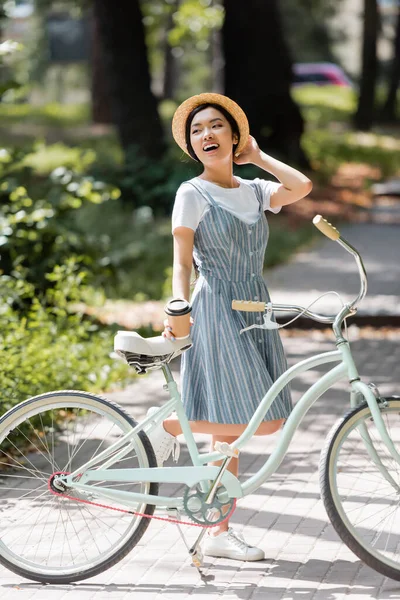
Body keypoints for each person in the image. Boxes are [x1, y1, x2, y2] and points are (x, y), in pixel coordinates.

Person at [147, 93, 312, 561]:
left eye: (216, 126)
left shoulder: (254, 190)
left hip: (256, 308)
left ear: (234, 136)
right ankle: (214, 521)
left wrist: (259, 157)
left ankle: (213, 520)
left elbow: (300, 186)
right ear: (191, 146)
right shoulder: (191, 193)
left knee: (260, 420)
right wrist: (177, 304)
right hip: (216, 303)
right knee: (237, 421)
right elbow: (181, 261)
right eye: (197, 131)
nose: (206, 135)